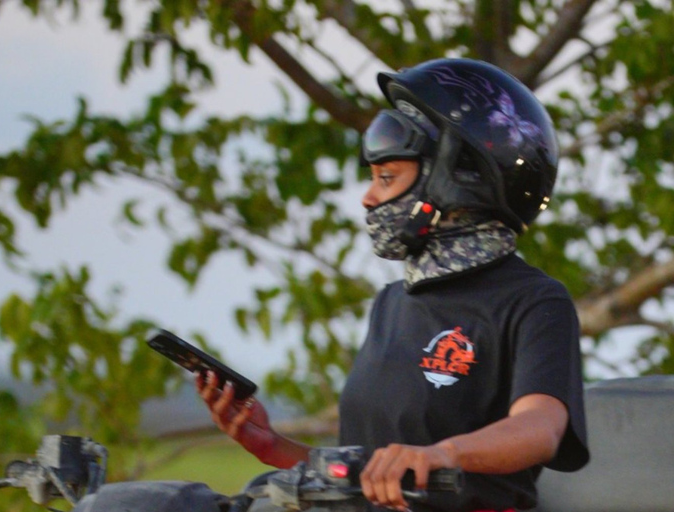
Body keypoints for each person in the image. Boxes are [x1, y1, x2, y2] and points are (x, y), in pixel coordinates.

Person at [195, 58, 589, 512]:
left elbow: (541, 427)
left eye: (387, 178)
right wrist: (268, 444)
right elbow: (368, 480)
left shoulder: (534, 300)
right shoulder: (392, 302)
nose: (368, 197)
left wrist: (444, 454)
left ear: (454, 182)